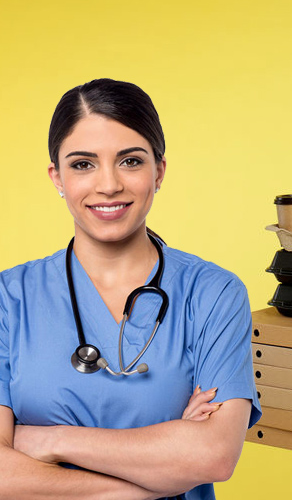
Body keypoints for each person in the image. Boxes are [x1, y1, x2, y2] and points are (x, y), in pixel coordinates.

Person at [0, 79, 261, 499]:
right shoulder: (9, 300)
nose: (108, 185)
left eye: (130, 161)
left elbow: (213, 456)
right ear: (57, 177)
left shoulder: (212, 293)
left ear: (158, 171)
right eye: (83, 164)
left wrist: (49, 441)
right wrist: (154, 476)